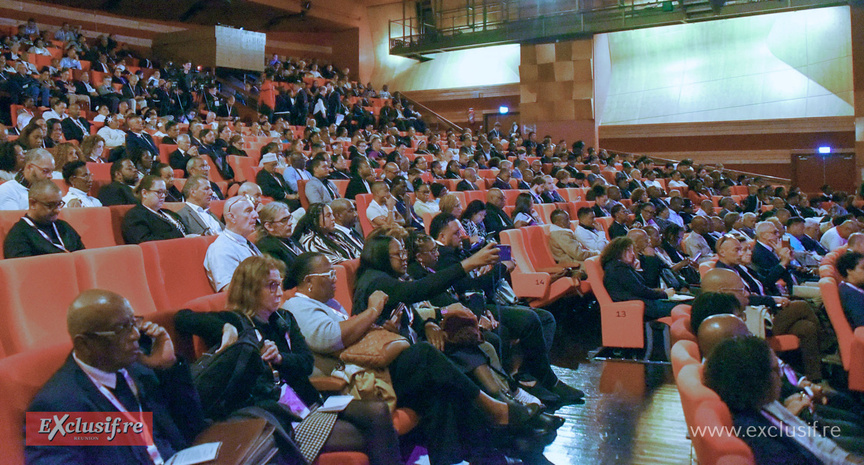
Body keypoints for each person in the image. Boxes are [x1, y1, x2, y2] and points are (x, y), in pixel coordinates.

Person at [290, 249, 546, 465]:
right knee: (425, 355)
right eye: (329, 274)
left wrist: (381, 329)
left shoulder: (330, 304)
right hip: (352, 385)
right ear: (308, 280)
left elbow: (350, 336)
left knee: (440, 392)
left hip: (371, 370)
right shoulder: (297, 306)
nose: (336, 279)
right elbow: (330, 338)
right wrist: (373, 311)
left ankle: (494, 451)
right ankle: (496, 413)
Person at [175, 256, 403, 464]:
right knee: (372, 432)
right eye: (271, 285)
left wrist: (281, 358)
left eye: (279, 284)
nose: (279, 291)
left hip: (309, 402)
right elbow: (182, 318)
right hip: (281, 417)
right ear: (251, 290)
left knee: (378, 411)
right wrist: (224, 327)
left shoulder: (285, 319)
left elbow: (305, 363)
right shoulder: (236, 321)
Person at [26, 289, 209, 464]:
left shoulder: (139, 368)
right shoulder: (55, 405)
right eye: (121, 329)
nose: (136, 335)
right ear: (85, 344)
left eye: (133, 323)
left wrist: (169, 367)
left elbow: (193, 428)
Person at [704, 336, 864, 465]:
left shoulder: (766, 404)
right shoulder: (756, 436)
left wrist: (849, 460)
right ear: (757, 381)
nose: (782, 377)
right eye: (776, 371)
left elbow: (816, 442)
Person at [702, 265, 823, 381]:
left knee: (806, 327)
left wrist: (802, 384)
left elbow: (764, 282)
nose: (746, 293)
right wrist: (771, 299)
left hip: (765, 313)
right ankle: (826, 343)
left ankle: (814, 377)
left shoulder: (740, 268)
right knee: (800, 306)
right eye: (741, 290)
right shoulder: (721, 325)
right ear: (723, 291)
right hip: (760, 324)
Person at [600, 236, 677, 319]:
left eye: (632, 250)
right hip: (641, 307)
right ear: (618, 252)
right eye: (628, 250)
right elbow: (641, 290)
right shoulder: (619, 268)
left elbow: (639, 286)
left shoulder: (617, 266)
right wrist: (664, 294)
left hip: (643, 303)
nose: (633, 254)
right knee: (685, 305)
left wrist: (636, 269)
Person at [3, 180, 84, 258]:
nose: (57, 210)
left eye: (59, 204)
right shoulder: (18, 236)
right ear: (33, 203)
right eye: (50, 205)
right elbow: (23, 270)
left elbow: (82, 257)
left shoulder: (64, 227)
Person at [204, 196, 261, 292]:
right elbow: (231, 291)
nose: (256, 215)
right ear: (232, 217)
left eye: (254, 210)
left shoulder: (245, 242)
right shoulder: (221, 248)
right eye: (248, 211)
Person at [121, 175, 186, 244]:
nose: (163, 196)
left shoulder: (169, 213)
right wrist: (181, 237)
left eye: (165, 192)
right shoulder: (135, 215)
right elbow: (144, 242)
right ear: (145, 193)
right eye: (159, 192)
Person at [294, 202, 359, 264]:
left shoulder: (335, 235)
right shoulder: (312, 242)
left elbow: (355, 253)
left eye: (332, 215)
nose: (333, 219)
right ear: (316, 220)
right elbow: (332, 263)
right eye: (328, 216)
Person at [837, 251, 864, 328]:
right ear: (849, 270)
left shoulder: (853, 287)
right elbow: (861, 324)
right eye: (863, 268)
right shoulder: (851, 295)